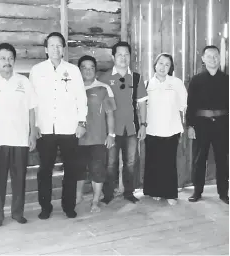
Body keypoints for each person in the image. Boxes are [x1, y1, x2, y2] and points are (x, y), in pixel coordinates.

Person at [30, 32, 87, 219]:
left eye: (59, 45)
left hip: (69, 128)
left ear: (63, 48)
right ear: (46, 49)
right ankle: (45, 207)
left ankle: (68, 206)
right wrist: (34, 125)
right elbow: (32, 101)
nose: (56, 49)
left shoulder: (73, 70)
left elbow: (81, 98)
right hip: (45, 129)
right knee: (45, 170)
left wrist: (81, 122)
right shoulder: (36, 71)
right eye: (52, 45)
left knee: (71, 169)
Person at [0, 43, 37, 227]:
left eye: (11, 58)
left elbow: (31, 110)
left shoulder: (24, 82)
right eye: (3, 58)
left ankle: (17, 213)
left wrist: (32, 134)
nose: (7, 62)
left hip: (20, 139)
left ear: (14, 60)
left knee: (19, 179)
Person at [98, 41, 148, 204]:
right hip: (111, 129)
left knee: (131, 163)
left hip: (132, 128)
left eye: (126, 54)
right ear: (113, 57)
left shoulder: (136, 77)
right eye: (119, 54)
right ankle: (108, 194)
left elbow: (141, 103)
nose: (123, 58)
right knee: (110, 163)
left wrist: (143, 125)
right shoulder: (104, 78)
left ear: (130, 57)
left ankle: (129, 192)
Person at [143, 53, 187, 205]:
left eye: (167, 64)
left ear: (171, 67)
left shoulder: (176, 83)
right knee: (153, 162)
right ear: (155, 65)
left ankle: (170, 194)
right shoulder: (147, 84)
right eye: (160, 63)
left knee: (168, 163)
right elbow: (142, 107)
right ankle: (155, 191)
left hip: (171, 128)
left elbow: (184, 105)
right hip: (152, 129)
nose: (163, 67)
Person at [186, 45, 229, 204]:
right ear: (203, 59)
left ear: (220, 58)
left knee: (222, 160)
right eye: (209, 56)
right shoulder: (196, 80)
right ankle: (197, 191)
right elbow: (190, 105)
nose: (213, 59)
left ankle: (224, 193)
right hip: (201, 125)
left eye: (216, 55)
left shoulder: (227, 80)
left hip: (223, 125)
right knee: (199, 159)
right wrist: (190, 126)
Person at [75, 55, 116, 212]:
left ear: (95, 70)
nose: (88, 70)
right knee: (78, 169)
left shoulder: (104, 88)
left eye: (91, 67)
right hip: (78, 138)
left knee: (97, 171)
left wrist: (111, 134)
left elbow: (110, 113)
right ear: (79, 70)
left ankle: (95, 201)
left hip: (98, 138)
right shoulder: (73, 89)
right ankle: (78, 197)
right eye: (84, 67)